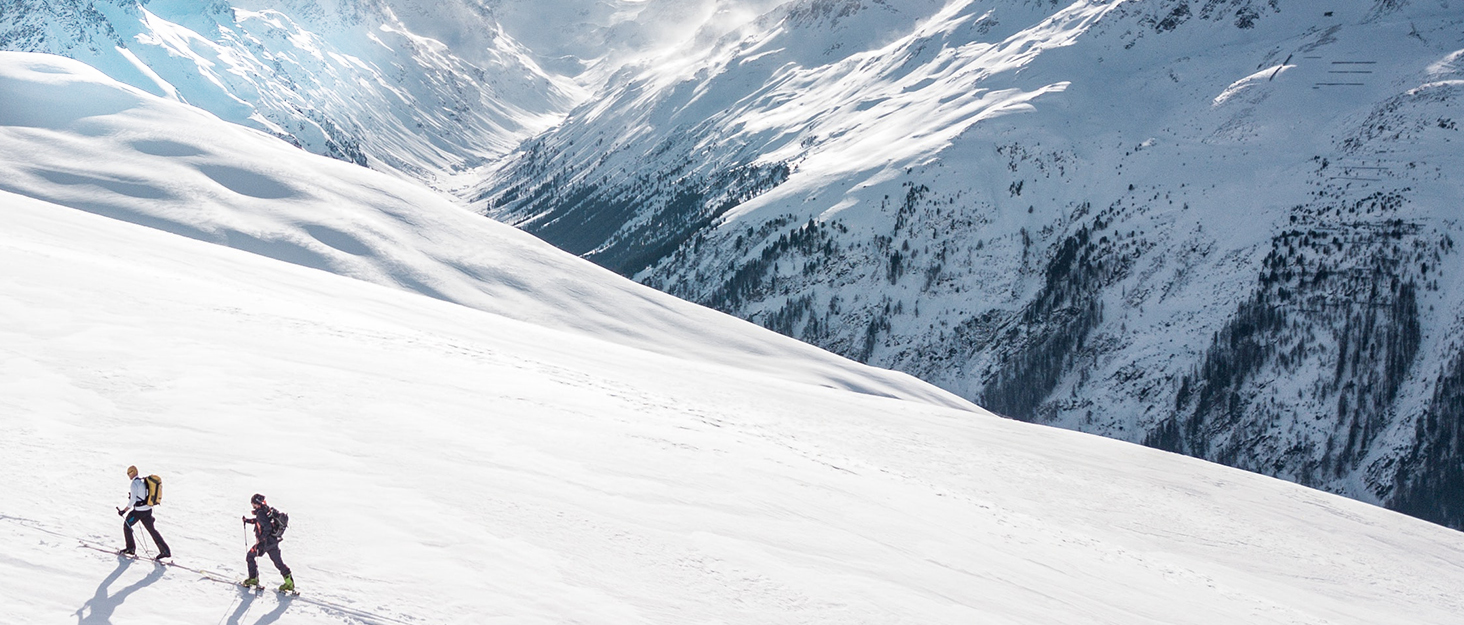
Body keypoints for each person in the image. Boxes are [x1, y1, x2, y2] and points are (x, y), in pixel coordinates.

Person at [116, 465, 171, 559]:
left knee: (127, 525)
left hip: (139, 512)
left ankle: (130, 548)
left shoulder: (134, 484)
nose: (128, 475)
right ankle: (165, 550)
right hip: (147, 510)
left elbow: (133, 500)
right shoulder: (143, 481)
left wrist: (123, 511)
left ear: (132, 473)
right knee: (152, 530)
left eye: (129, 473)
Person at [243, 493, 294, 591]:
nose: (252, 505)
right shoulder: (266, 510)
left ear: (256, 503)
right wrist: (248, 521)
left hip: (264, 543)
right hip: (273, 542)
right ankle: (289, 583)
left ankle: (253, 579)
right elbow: (260, 521)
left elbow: (267, 527)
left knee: (250, 556)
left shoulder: (260, 513)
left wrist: (261, 538)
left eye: (253, 503)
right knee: (278, 563)